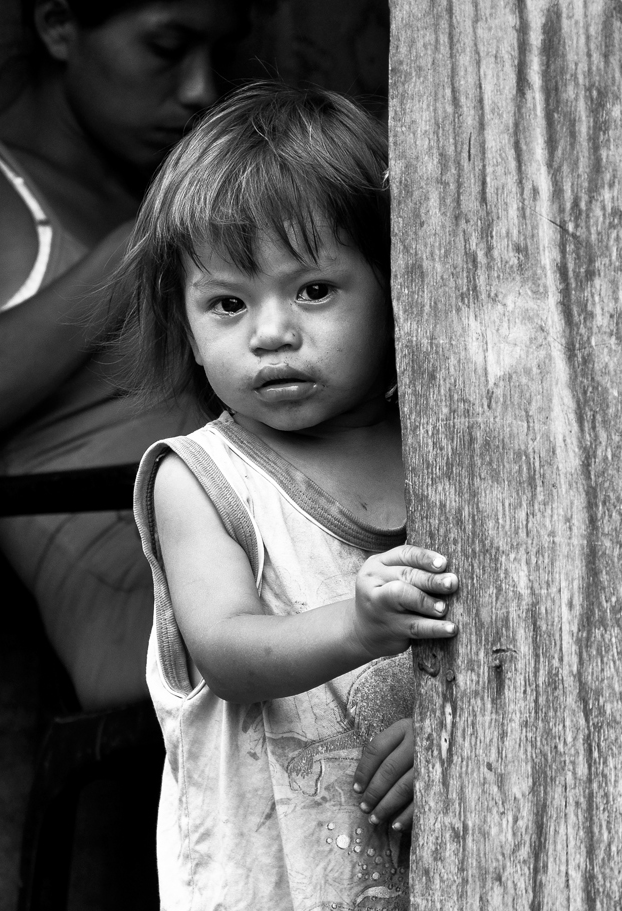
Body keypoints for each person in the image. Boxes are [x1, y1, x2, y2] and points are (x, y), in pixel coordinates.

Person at [115, 84, 461, 910]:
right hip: (274, 880)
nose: (271, 333)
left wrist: (450, 737)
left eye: (313, 290)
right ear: (185, 322)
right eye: (229, 303)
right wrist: (359, 623)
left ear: (395, 277)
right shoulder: (201, 479)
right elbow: (228, 650)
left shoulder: (453, 448)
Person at [0, 0, 248, 712]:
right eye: (167, 47)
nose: (199, 90)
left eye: (216, 56)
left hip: (250, 558)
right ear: (59, 23)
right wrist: (135, 246)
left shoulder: (163, 185)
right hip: (146, 610)